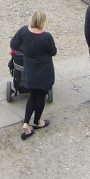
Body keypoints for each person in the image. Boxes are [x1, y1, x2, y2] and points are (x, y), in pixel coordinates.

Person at [10, 10, 56, 140]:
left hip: (30, 69)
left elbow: (13, 45)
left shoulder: (24, 31)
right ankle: (37, 122)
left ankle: (26, 123)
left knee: (32, 96)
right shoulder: (46, 36)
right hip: (44, 70)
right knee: (40, 96)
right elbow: (53, 51)